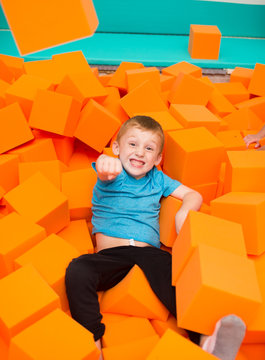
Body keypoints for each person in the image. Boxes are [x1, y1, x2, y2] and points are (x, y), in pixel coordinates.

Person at [65, 116, 246, 360]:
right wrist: (108, 163)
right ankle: (92, 344)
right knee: (78, 270)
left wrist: (185, 210)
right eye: (132, 144)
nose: (140, 152)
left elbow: (193, 194)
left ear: (158, 159)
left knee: (178, 277)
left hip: (149, 253)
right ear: (117, 148)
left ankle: (206, 341)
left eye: (149, 148)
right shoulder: (110, 171)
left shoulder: (159, 179)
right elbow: (105, 168)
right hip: (110, 255)